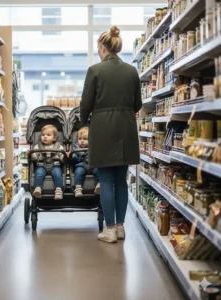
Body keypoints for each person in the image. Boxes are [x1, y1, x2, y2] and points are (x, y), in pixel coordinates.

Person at [80, 25, 142, 243]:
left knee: (105, 179)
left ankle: (109, 229)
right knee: (121, 180)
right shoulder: (132, 71)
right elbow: (138, 104)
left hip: (102, 127)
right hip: (125, 127)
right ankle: (121, 227)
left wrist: (83, 121)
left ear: (101, 47)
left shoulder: (95, 71)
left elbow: (85, 104)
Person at [31, 125, 64, 200]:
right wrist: (31, 154)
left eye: (48, 135)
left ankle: (58, 190)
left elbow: (62, 157)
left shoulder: (59, 146)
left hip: (55, 165)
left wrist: (64, 157)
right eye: (43, 135)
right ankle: (38, 188)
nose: (45, 137)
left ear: (54, 138)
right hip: (41, 165)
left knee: (58, 174)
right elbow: (34, 158)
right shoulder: (38, 146)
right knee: (39, 173)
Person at [72, 127, 100, 197]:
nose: (81, 141)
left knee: (98, 171)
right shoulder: (76, 147)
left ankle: (99, 185)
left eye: (85, 139)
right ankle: (78, 188)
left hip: (93, 164)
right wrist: (73, 156)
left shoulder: (94, 147)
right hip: (81, 164)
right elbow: (74, 159)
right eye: (80, 139)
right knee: (78, 172)